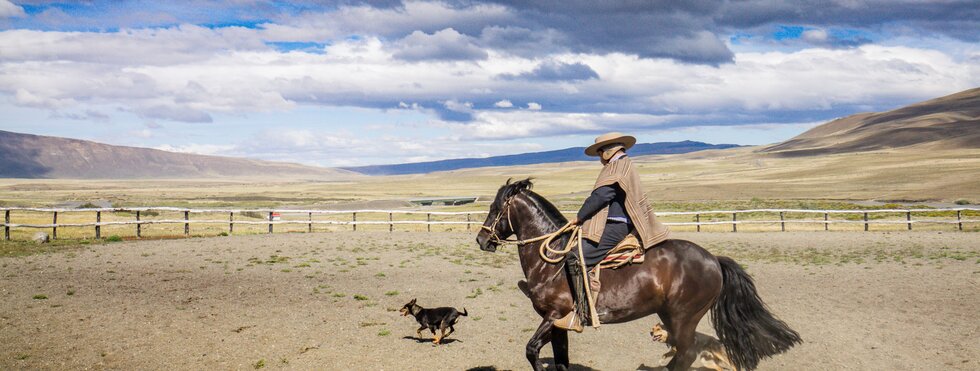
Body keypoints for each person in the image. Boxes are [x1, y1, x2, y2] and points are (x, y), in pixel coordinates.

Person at [554, 132, 671, 332]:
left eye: (600, 153)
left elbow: (602, 196)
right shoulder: (624, 165)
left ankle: (580, 314)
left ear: (608, 151)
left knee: (575, 257)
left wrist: (580, 217)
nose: (599, 158)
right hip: (617, 223)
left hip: (616, 225)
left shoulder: (617, 168)